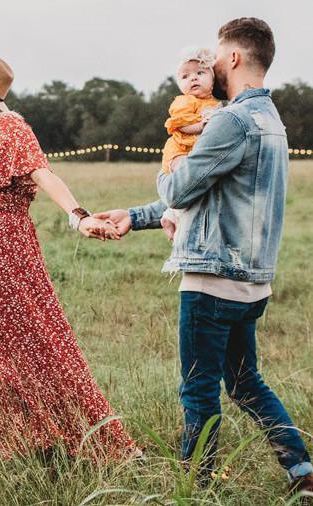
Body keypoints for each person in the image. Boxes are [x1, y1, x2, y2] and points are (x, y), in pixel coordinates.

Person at [97, 18, 313, 493]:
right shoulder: (271, 121)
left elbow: (180, 186)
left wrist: (168, 158)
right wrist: (136, 216)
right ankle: (303, 471)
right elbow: (209, 195)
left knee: (198, 389)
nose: (210, 63)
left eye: (216, 54)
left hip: (212, 280)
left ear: (233, 58)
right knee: (244, 383)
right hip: (252, 281)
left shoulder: (231, 120)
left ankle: (196, 487)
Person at [0, 50, 136, 459]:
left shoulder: (11, 127)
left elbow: (43, 172)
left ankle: (47, 436)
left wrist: (78, 216)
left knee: (30, 341)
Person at [160, 48, 222, 238]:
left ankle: (170, 215)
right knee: (186, 179)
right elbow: (181, 125)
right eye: (185, 76)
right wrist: (201, 125)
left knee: (196, 182)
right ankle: (175, 217)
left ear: (212, 79)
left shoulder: (215, 103)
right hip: (179, 150)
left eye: (200, 73)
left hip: (193, 151)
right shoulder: (185, 101)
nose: (193, 78)